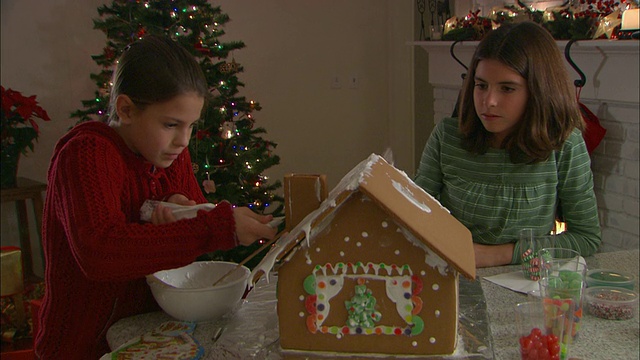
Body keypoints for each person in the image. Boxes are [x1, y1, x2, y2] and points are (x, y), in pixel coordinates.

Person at [35, 35, 277, 358]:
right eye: (171, 124)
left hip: (147, 339)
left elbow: (185, 244)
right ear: (126, 109)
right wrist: (215, 227)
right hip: (80, 347)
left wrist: (181, 211)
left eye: (190, 126)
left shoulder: (172, 156)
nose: (183, 140)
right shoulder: (85, 154)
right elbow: (98, 251)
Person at [415, 21, 601, 268]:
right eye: (481, 85)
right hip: (452, 274)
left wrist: (498, 254)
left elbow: (586, 238)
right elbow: (415, 214)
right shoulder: (447, 136)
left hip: (528, 283)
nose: (489, 101)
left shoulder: (565, 144)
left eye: (507, 88)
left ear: (538, 92)